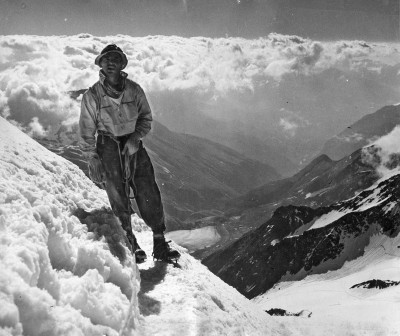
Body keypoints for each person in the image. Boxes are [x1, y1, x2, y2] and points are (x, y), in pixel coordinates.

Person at [79, 44, 180, 264]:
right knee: (117, 192)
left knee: (147, 189)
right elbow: (87, 129)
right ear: (100, 64)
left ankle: (159, 241)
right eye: (106, 59)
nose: (110, 62)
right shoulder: (92, 95)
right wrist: (93, 157)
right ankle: (130, 240)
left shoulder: (134, 90)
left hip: (133, 145)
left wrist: (135, 138)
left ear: (122, 63)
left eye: (115, 58)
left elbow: (145, 118)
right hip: (108, 146)